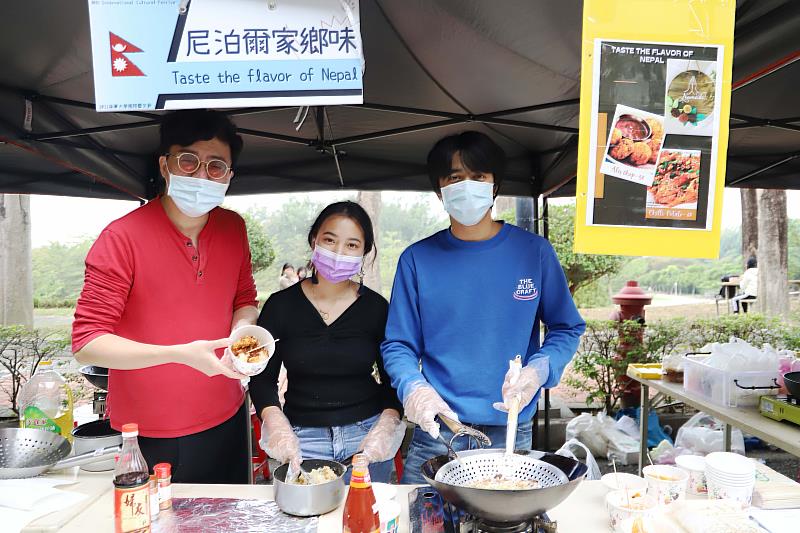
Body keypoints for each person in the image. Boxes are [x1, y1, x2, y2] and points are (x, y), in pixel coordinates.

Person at [381, 131, 586, 484]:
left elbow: (567, 327)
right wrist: (415, 389)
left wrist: (538, 369)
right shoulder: (417, 260)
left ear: (495, 186)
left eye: (478, 177)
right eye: (455, 178)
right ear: (440, 191)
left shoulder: (534, 252)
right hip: (439, 430)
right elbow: (398, 344)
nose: (467, 186)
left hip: (510, 429)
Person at [72, 110, 258, 484]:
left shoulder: (232, 227)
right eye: (188, 161)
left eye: (216, 166)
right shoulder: (122, 237)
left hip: (229, 413)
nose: (201, 175)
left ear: (229, 176)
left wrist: (241, 335)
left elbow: (245, 297)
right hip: (151, 431)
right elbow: (87, 342)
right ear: (165, 164)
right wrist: (177, 354)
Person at [251, 201, 405, 483]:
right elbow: (262, 380)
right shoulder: (280, 306)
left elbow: (393, 379)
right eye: (330, 240)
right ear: (314, 241)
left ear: (364, 252)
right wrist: (276, 425)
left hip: (366, 438)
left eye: (351, 245)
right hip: (300, 440)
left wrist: (385, 427)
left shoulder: (376, 308)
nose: (338, 252)